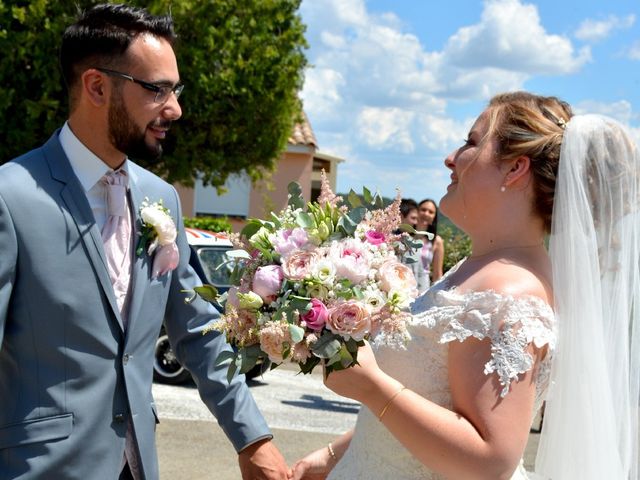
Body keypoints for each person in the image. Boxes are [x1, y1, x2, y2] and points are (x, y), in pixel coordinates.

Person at [0, 4, 289, 479]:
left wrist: (252, 438)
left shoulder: (161, 199)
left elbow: (197, 331)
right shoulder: (12, 197)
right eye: (157, 90)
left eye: (175, 89)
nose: (174, 108)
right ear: (96, 86)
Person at [289, 91, 640, 479]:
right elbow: (429, 397)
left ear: (514, 169)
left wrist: (370, 385)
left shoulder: (508, 293)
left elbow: (490, 460)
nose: (450, 158)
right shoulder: (479, 268)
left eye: (471, 143)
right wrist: (334, 454)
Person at [398, 198, 430, 293]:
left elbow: (422, 274)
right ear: (401, 216)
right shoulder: (384, 241)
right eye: (413, 218)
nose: (415, 223)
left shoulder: (415, 245)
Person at [416, 198, 444, 283]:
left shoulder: (436, 241)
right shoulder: (402, 235)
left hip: (422, 289)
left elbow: (437, 274)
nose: (426, 214)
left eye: (431, 212)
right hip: (399, 287)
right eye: (423, 210)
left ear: (434, 217)